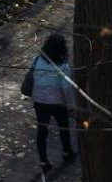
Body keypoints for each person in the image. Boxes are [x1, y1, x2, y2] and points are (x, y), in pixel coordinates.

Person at [30, 33, 77, 172]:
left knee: (42, 131)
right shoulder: (63, 67)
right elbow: (66, 89)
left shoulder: (36, 60)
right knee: (63, 127)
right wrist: (71, 105)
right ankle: (67, 152)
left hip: (39, 101)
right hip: (57, 102)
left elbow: (33, 77)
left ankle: (44, 161)